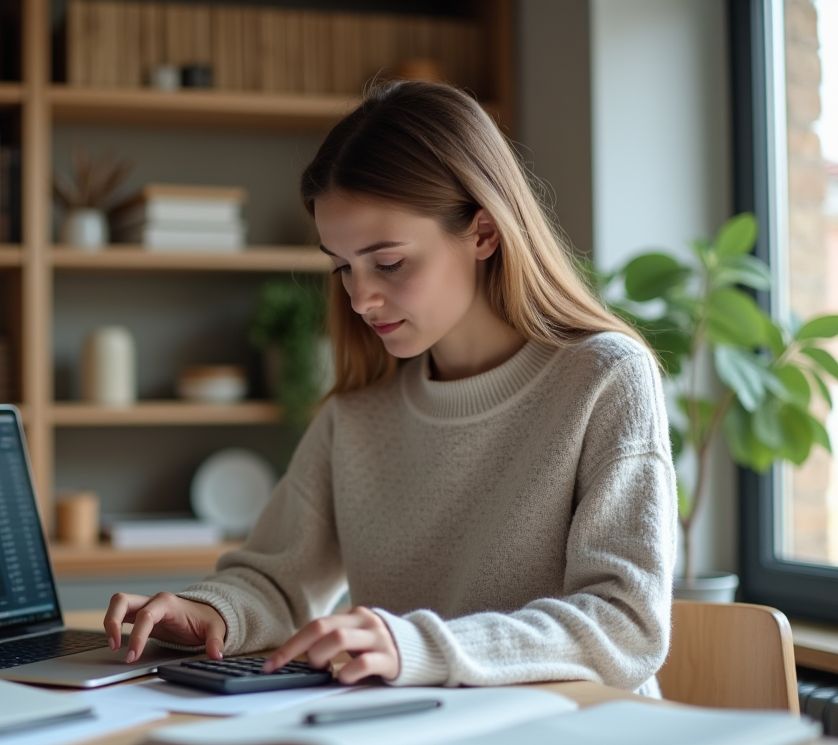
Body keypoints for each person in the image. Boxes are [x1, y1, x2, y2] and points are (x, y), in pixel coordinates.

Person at [104, 81, 676, 695]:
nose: (360, 297)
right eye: (342, 266)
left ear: (483, 232)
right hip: (409, 740)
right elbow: (277, 579)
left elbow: (627, 625)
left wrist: (419, 647)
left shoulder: (604, 378)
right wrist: (215, 612)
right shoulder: (358, 414)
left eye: (390, 262)